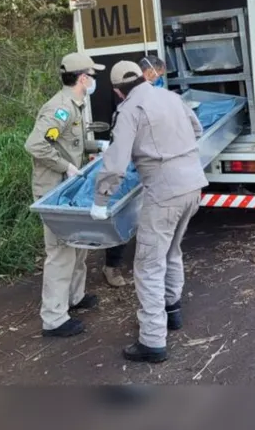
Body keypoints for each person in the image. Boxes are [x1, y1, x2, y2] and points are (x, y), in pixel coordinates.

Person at [91, 60, 207, 363]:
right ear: (143, 77)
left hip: (164, 192)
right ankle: (173, 311)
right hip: (193, 185)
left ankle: (153, 341)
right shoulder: (170, 96)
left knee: (147, 264)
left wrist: (100, 201)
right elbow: (197, 128)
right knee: (171, 251)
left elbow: (115, 164)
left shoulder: (129, 110)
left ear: (118, 91)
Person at [25, 52, 108, 338]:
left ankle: (75, 296)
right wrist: (68, 167)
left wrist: (95, 147)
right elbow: (36, 146)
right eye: (93, 76)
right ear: (83, 78)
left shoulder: (76, 104)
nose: (95, 80)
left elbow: (68, 141)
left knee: (78, 243)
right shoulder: (59, 109)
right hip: (53, 190)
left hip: (68, 187)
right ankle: (54, 318)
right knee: (60, 252)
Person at [101, 54, 169, 288]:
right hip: (130, 162)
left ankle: (147, 262)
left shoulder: (158, 98)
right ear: (147, 73)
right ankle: (112, 265)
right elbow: (120, 150)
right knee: (123, 213)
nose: (159, 80)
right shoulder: (125, 103)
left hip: (147, 164)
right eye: (157, 75)